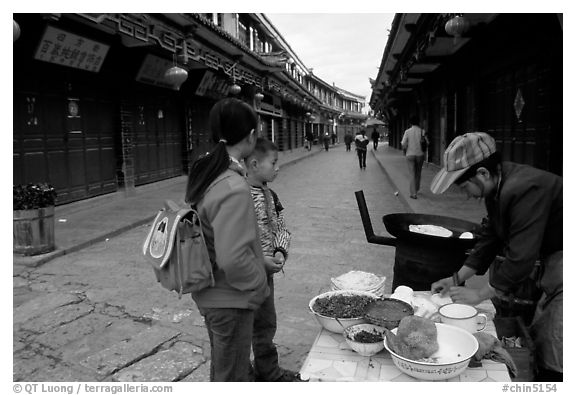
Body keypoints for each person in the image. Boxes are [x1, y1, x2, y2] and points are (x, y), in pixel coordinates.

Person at [429, 132, 562, 382]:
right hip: (555, 259)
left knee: (558, 336)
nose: (467, 194)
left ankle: (553, 382)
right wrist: (456, 278)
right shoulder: (498, 188)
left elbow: (521, 258)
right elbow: (491, 238)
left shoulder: (523, 189)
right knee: (545, 330)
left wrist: (480, 294)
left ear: (483, 174)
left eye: (464, 185)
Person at [184, 98, 269, 382]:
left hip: (211, 293)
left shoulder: (206, 172)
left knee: (223, 369)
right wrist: (258, 283)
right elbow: (233, 258)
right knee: (232, 376)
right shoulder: (233, 186)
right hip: (230, 299)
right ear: (250, 135)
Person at [245, 138, 306, 382]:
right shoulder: (238, 196)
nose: (277, 167)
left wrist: (280, 251)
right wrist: (260, 261)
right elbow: (235, 240)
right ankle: (243, 374)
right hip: (245, 274)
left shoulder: (271, 195)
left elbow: (280, 226)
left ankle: (268, 371)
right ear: (255, 164)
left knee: (266, 324)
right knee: (242, 328)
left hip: (267, 275)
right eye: (273, 162)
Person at [401, 115, 428, 199]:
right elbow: (427, 143)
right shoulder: (422, 131)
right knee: (418, 173)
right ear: (418, 122)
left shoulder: (407, 131)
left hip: (410, 154)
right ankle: (416, 188)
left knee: (412, 173)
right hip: (420, 155)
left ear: (410, 122)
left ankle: (413, 193)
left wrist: (406, 148)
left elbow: (403, 143)